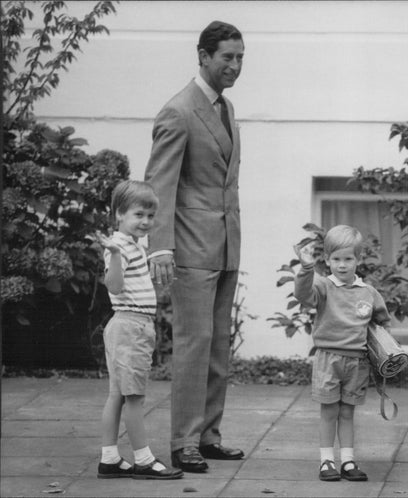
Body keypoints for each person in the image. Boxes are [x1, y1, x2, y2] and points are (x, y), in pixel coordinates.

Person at [144, 20, 245, 473]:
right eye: (227, 57)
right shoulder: (178, 111)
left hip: (225, 246)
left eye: (240, 57)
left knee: (218, 346)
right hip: (188, 247)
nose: (235, 65)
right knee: (192, 344)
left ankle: (208, 435)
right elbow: (159, 184)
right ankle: (183, 440)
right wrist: (159, 247)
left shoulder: (226, 108)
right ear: (202, 56)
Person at [95, 180, 184, 480]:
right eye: (138, 215)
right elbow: (115, 285)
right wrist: (115, 256)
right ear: (119, 213)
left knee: (118, 395)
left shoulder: (132, 244)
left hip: (131, 325)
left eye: (150, 215)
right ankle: (143, 460)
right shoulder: (118, 246)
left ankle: (109, 459)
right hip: (130, 325)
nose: (145, 221)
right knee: (134, 396)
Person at [293, 225, 391, 482]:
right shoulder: (324, 287)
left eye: (348, 259)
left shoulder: (368, 293)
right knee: (329, 411)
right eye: (336, 259)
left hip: (357, 363)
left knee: (347, 412)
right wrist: (305, 269)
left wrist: (386, 351)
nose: (343, 265)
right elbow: (303, 295)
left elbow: (381, 322)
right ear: (326, 260)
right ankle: (327, 461)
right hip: (328, 359)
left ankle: (347, 460)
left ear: (358, 259)